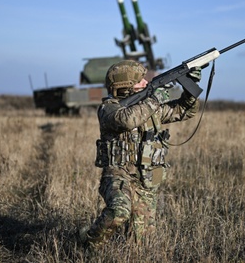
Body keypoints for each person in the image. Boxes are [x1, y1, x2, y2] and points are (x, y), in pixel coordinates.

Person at [79, 60, 201, 248]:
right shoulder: (108, 109)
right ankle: (87, 243)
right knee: (119, 210)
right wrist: (156, 98)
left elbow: (184, 110)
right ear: (125, 86)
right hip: (119, 177)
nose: (146, 83)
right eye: (140, 81)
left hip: (145, 180)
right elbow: (127, 120)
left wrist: (190, 87)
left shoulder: (150, 108)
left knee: (141, 243)